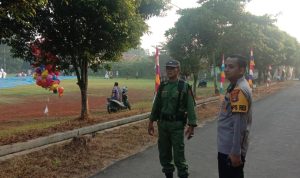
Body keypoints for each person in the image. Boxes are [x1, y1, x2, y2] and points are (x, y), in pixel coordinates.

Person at [148, 59, 197, 178]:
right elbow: (157, 105)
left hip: (177, 125)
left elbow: (190, 107)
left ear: (178, 70)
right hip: (163, 124)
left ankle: (183, 174)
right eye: (168, 68)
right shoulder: (163, 86)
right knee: (164, 153)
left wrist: (192, 125)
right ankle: (168, 175)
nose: (169, 71)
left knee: (178, 155)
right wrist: (151, 121)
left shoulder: (184, 86)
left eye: (172, 68)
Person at [217, 54, 253, 178]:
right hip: (227, 146)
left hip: (230, 150)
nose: (226, 69)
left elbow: (239, 125)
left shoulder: (239, 90)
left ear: (242, 70)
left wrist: (236, 152)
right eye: (225, 66)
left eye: (231, 67)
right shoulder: (234, 86)